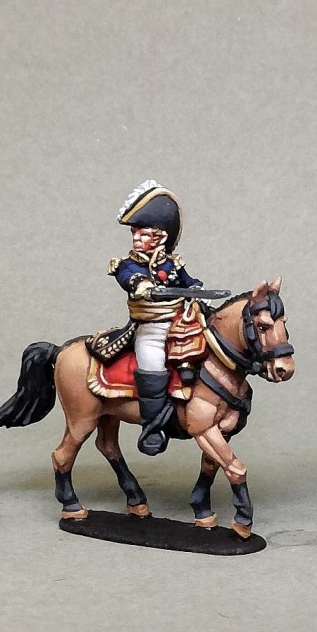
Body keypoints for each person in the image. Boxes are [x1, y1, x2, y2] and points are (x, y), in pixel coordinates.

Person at [109, 180, 204, 455]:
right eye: (135, 234)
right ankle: (152, 428)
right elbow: (127, 278)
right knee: (151, 363)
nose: (136, 239)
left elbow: (187, 281)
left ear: (160, 238)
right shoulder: (127, 265)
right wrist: (140, 284)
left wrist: (196, 288)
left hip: (180, 321)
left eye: (143, 235)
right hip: (150, 325)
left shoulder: (172, 263)